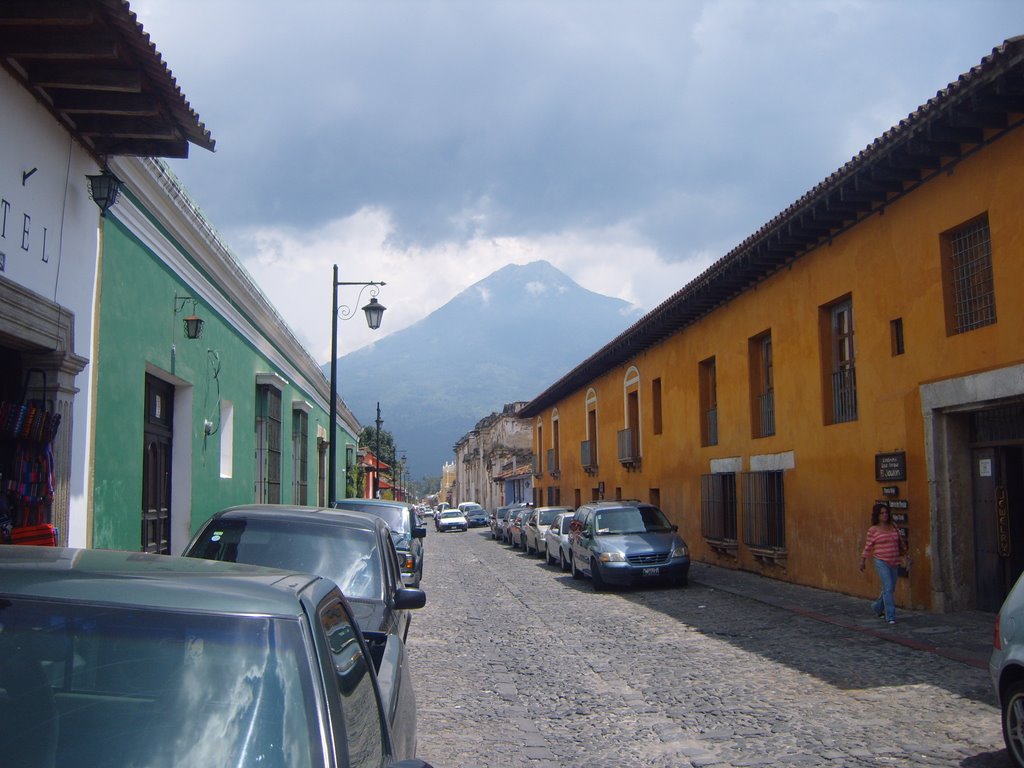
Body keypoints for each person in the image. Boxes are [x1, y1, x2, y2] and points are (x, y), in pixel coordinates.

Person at [859, 501, 906, 624]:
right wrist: (862, 560)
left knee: (889, 588)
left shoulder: (893, 526)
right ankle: (890, 616)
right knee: (888, 587)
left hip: (894, 560)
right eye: (882, 513)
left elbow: (900, 542)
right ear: (877, 515)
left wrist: (906, 555)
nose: (885, 515)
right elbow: (868, 546)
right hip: (881, 560)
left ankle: (877, 607)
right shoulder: (873, 530)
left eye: (886, 513)